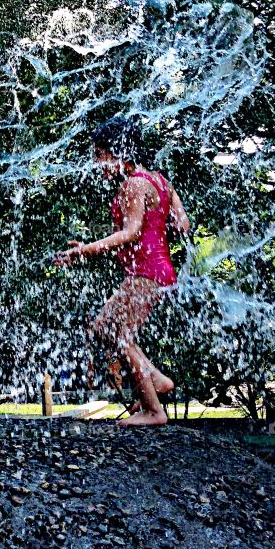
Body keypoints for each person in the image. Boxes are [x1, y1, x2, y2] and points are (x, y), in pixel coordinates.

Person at [54, 116, 190, 427]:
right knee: (105, 327)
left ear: (119, 152)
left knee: (115, 332)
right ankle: (156, 378)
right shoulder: (160, 181)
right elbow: (182, 225)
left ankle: (153, 410)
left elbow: (129, 233)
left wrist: (83, 250)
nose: (97, 164)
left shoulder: (133, 184)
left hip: (147, 271)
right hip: (159, 271)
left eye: (100, 155)